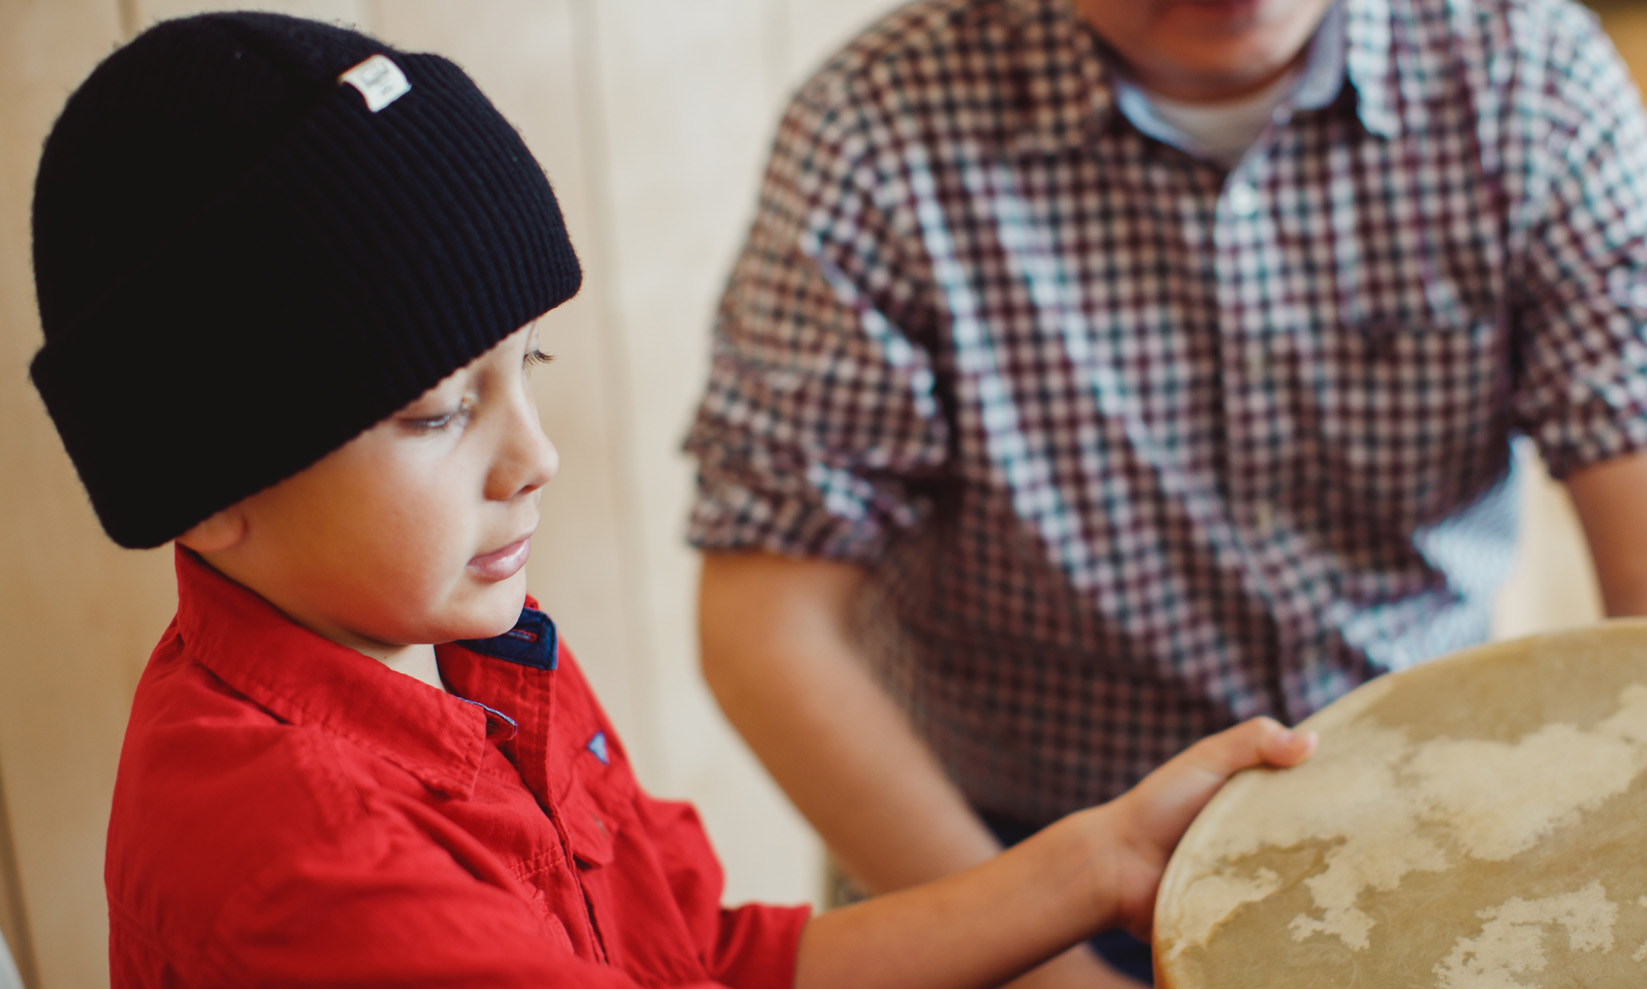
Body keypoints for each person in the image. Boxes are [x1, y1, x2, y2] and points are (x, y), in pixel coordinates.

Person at [28, 13, 1315, 987]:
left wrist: (1091, 862)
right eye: (435, 412)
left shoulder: (465, 652)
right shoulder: (312, 869)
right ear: (205, 485)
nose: (534, 455)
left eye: (527, 364)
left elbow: (713, 958)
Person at [684, 0, 1647, 984]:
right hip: (995, 850)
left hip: (1430, 816)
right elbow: (766, 629)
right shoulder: (877, 127)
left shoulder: (1523, 69)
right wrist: (1054, 967)